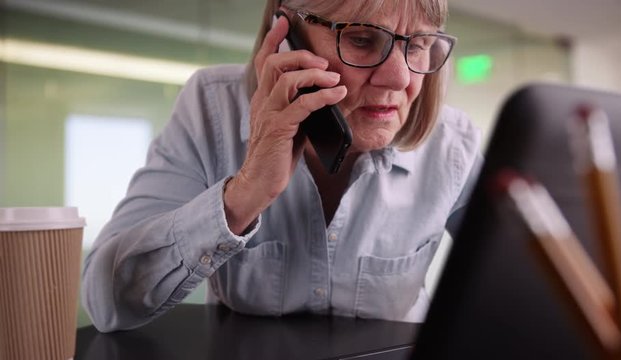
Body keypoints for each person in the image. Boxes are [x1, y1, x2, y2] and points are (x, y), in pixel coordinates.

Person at [81, 0, 482, 333]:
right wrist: (243, 194)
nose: (399, 78)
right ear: (285, 36)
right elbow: (106, 301)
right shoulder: (211, 108)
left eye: (418, 46)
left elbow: (521, 287)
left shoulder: (453, 144)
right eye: (361, 40)